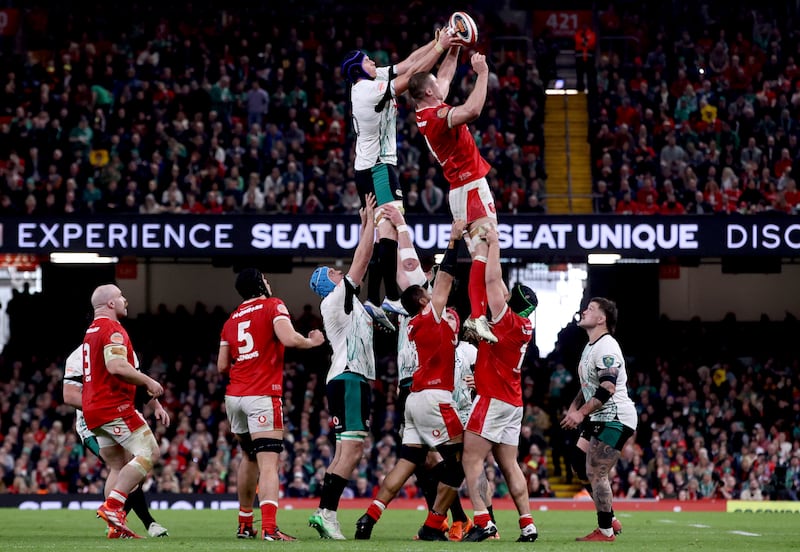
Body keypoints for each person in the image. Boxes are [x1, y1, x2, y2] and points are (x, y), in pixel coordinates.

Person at [354, 218, 468, 542]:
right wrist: (453, 240)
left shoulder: (413, 324)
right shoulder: (431, 314)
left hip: (414, 399)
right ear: (422, 300)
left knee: (407, 464)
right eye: (427, 294)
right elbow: (445, 277)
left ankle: (369, 517)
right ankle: (435, 525)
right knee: (459, 463)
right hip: (435, 396)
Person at [341, 27, 455, 328]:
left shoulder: (370, 79)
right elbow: (414, 76)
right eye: (367, 60)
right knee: (389, 227)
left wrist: (434, 42)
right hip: (378, 168)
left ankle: (380, 299)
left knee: (385, 232)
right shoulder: (366, 90)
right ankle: (388, 296)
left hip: (372, 166)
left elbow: (408, 62)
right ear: (357, 69)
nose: (373, 62)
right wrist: (441, 48)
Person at [218, 268, 325, 541]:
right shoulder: (273, 305)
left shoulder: (231, 320)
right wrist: (312, 342)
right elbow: (289, 339)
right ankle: (269, 528)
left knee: (248, 457)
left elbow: (221, 366)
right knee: (268, 464)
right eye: (266, 278)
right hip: (262, 395)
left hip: (234, 397)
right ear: (260, 284)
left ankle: (244, 524)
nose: (268, 281)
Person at [408, 46, 498, 344]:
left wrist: (454, 48)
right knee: (486, 251)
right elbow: (472, 110)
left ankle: (480, 316)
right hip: (470, 185)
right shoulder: (436, 117)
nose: (441, 85)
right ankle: (479, 315)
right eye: (436, 85)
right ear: (430, 93)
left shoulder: (424, 109)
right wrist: (482, 73)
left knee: (481, 256)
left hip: (460, 189)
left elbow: (443, 78)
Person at [460, 228, 539, 543]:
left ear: (511, 303)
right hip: (512, 401)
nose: (503, 294)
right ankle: (528, 523)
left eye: (508, 296)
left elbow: (493, 282)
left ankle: (483, 521)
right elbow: (496, 286)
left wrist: (493, 244)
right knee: (510, 464)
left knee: (471, 458)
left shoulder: (505, 320)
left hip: (493, 399)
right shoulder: (524, 324)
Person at [307, 193, 378, 540]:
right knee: (352, 448)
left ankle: (324, 513)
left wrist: (365, 222)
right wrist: (372, 225)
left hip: (346, 376)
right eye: (335, 272)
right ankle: (328, 513)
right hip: (349, 376)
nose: (341, 272)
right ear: (328, 283)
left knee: (345, 449)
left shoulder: (346, 304)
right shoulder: (335, 299)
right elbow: (361, 260)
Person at [82, 284, 166, 539]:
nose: (125, 300)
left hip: (93, 411)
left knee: (118, 466)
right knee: (150, 451)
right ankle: (114, 507)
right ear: (110, 304)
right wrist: (147, 380)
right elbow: (116, 365)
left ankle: (115, 527)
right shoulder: (112, 329)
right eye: (120, 296)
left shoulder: (91, 331)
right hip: (113, 407)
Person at [62, 345, 169, 538]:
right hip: (91, 424)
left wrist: (157, 406)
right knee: (122, 464)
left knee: (132, 468)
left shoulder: (122, 349)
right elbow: (69, 396)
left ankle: (117, 522)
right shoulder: (78, 356)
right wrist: (101, 407)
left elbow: (138, 383)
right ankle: (146, 522)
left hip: (119, 414)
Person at [560, 297, 638, 542]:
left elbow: (607, 387)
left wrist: (580, 413)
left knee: (596, 471)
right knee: (577, 462)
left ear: (602, 319)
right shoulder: (590, 346)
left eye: (591, 309)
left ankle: (605, 530)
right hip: (599, 415)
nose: (584, 311)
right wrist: (574, 406)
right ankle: (610, 516)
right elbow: (588, 386)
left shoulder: (606, 346)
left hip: (615, 416)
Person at [574, 23, 597, 93]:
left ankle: (591, 92)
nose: (584, 27)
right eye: (583, 26)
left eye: (586, 25)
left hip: (589, 59)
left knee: (590, 76)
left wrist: (584, 42)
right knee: (579, 76)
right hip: (579, 59)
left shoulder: (592, 34)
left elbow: (592, 42)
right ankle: (580, 91)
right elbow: (578, 40)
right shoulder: (578, 34)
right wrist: (585, 41)